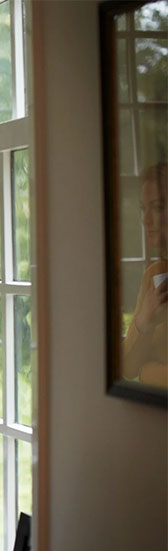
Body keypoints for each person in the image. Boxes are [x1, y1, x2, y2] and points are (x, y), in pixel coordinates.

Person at [123, 163, 168, 387]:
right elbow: (128, 367)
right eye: (143, 208)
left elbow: (138, 372)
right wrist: (145, 320)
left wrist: (147, 373)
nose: (146, 219)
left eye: (158, 207)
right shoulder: (155, 275)